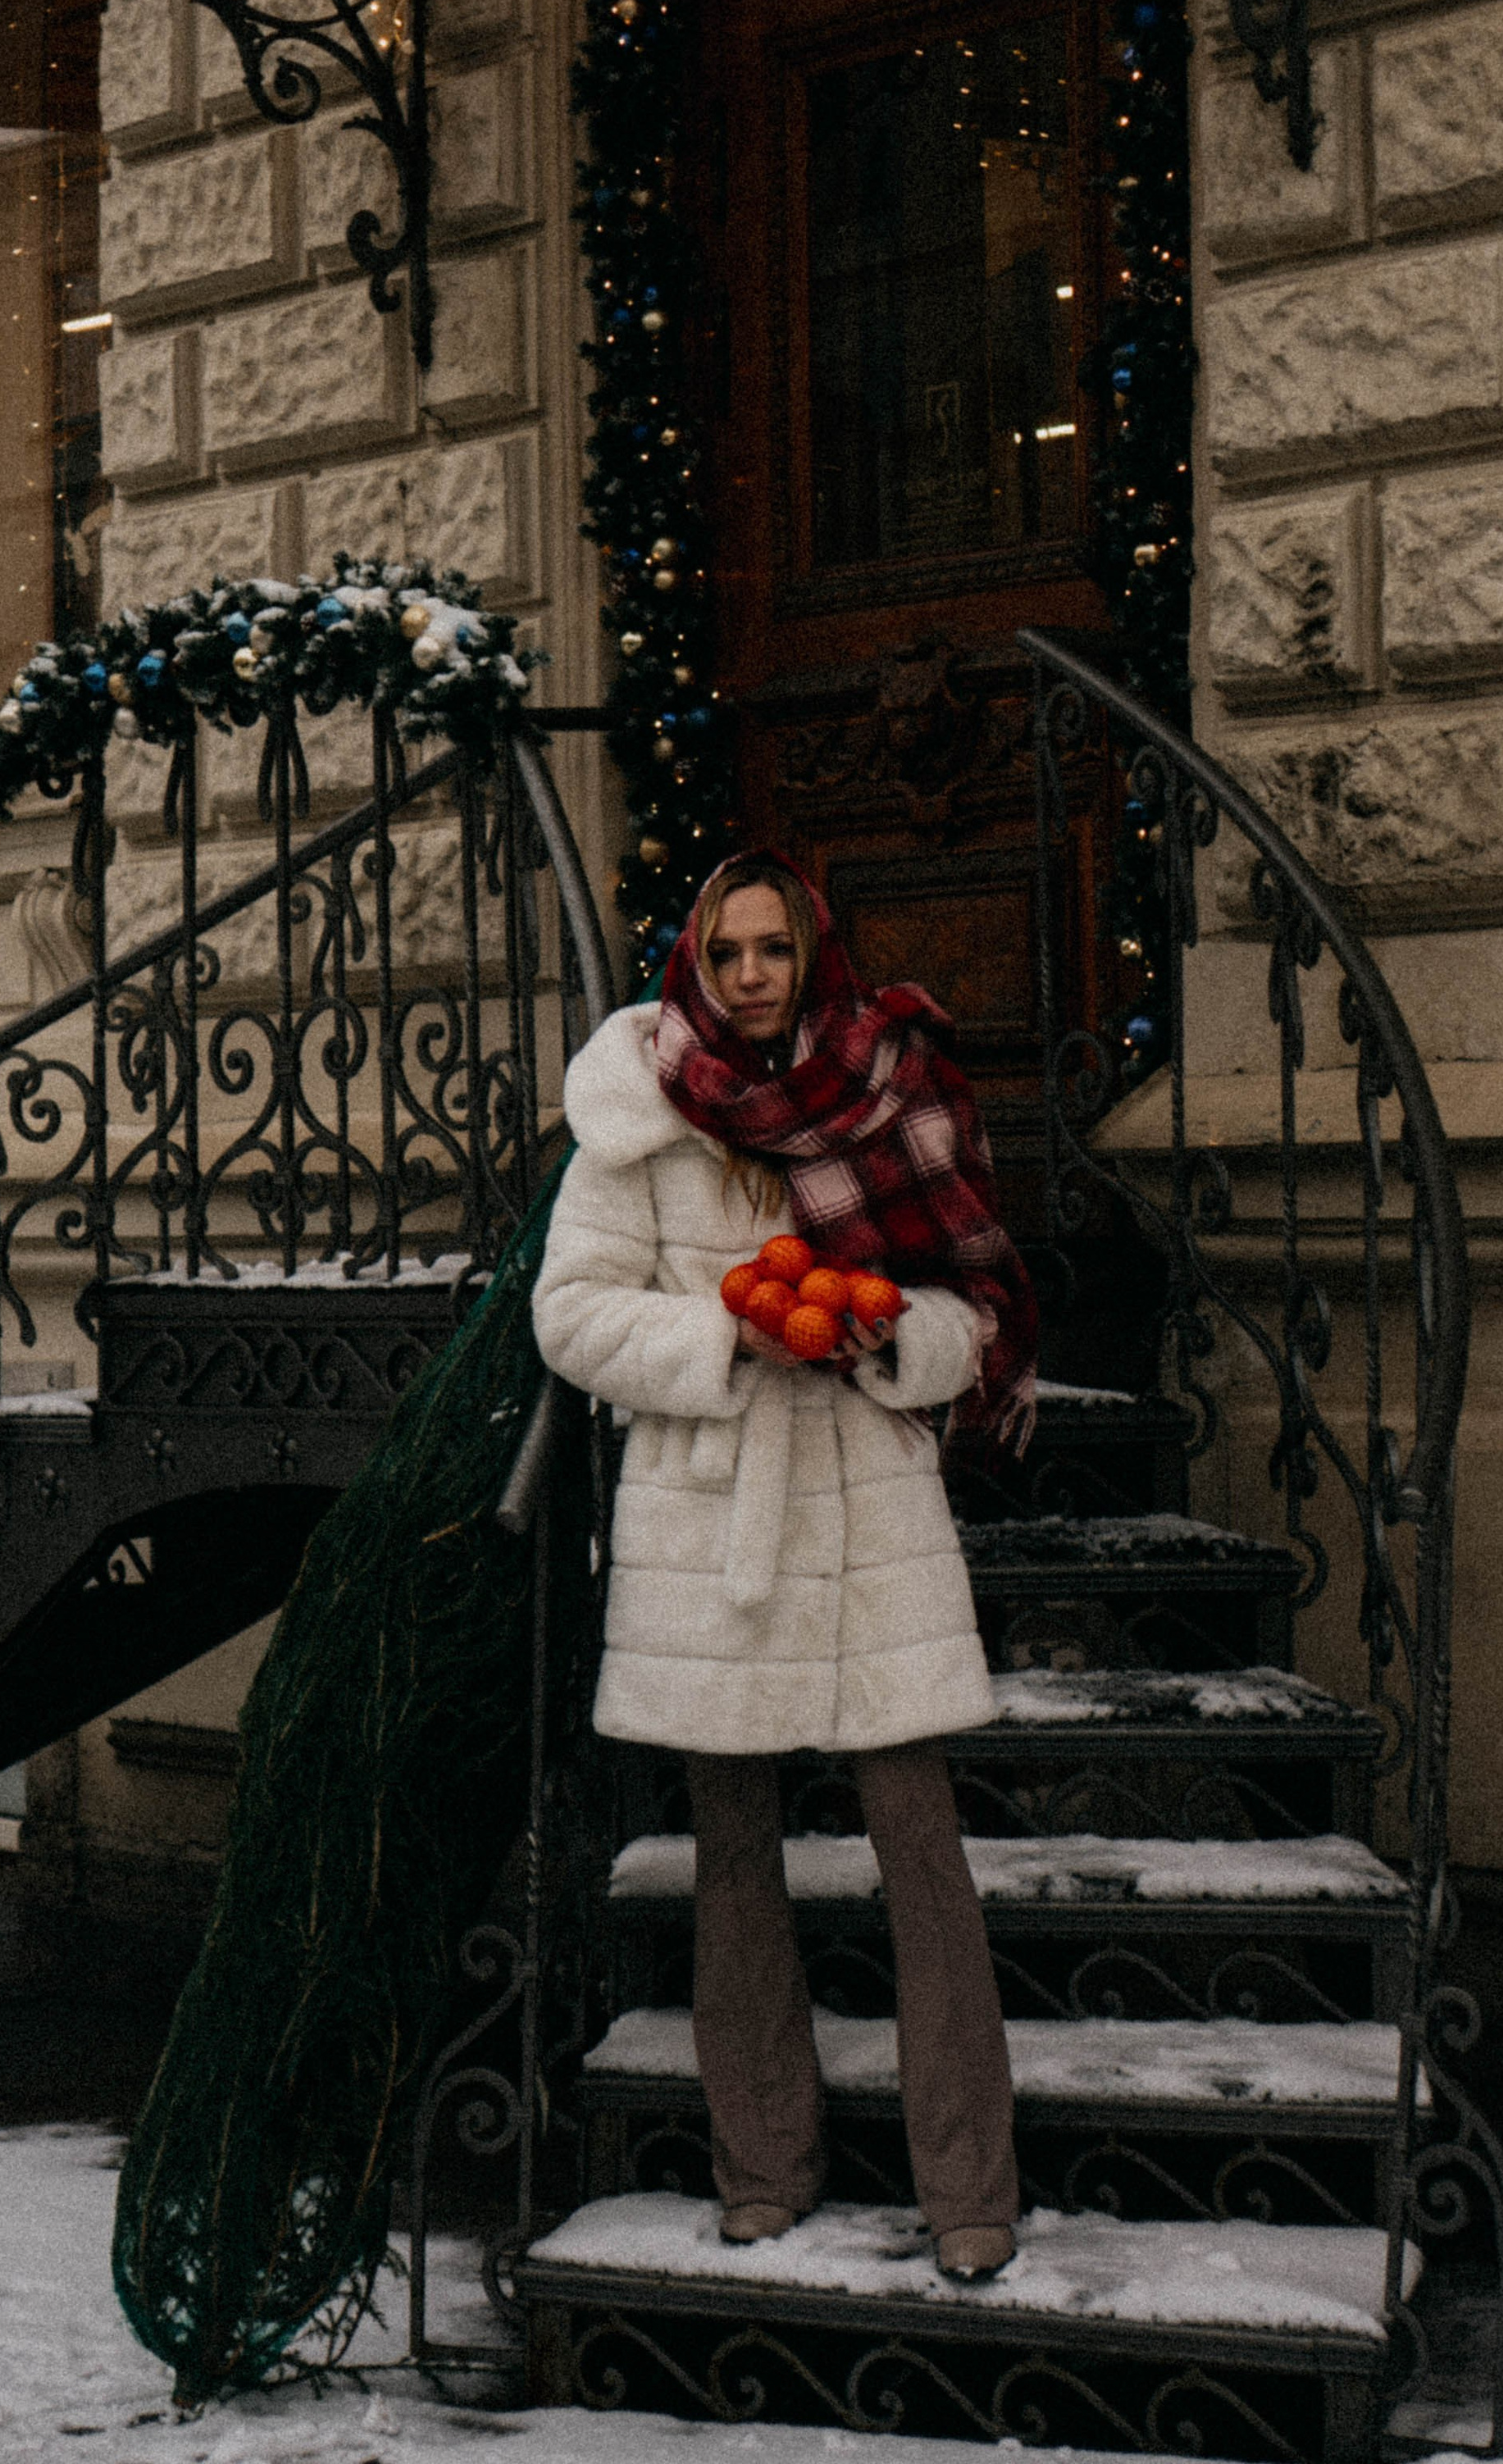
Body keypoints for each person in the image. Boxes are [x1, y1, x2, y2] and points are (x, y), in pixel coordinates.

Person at [531, 849, 1040, 2284]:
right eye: (728, 952)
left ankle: (970, 2192)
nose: (752, 976)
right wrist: (726, 1336)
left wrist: (889, 1340)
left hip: (871, 1501)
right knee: (735, 1863)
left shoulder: (892, 1091)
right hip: (719, 1520)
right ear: (696, 962)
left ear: (812, 953)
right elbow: (571, 1315)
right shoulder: (637, 1112)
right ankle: (762, 2167)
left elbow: (969, 1308)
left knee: (922, 1852)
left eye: (774, 949)